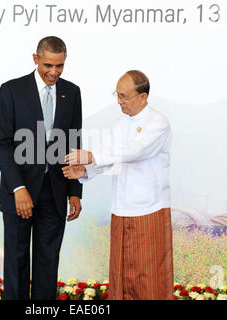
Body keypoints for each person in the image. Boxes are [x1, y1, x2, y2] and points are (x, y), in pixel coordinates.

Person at [63, 70, 174, 300]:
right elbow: (110, 159)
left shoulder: (158, 123)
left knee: (149, 278)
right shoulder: (118, 124)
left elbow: (135, 152)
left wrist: (92, 156)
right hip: (121, 209)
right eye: (117, 95)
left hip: (149, 210)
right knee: (121, 276)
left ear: (143, 97)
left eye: (124, 96)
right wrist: (85, 171)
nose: (119, 102)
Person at [0, 36, 83, 300]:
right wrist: (18, 188)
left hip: (54, 193)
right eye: (48, 65)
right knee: (17, 265)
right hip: (18, 192)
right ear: (35, 59)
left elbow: (73, 141)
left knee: (47, 266)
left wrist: (74, 190)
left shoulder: (72, 92)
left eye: (60, 66)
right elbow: (2, 144)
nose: (54, 72)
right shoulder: (11, 90)